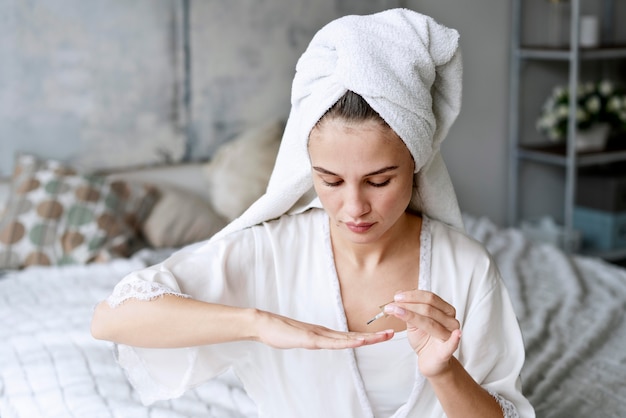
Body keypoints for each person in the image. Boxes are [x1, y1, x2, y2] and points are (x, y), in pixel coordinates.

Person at [91, 8, 535, 418]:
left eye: (379, 181)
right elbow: (112, 316)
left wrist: (444, 372)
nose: (354, 207)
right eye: (331, 180)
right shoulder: (270, 251)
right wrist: (257, 323)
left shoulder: (466, 266)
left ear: (416, 166)